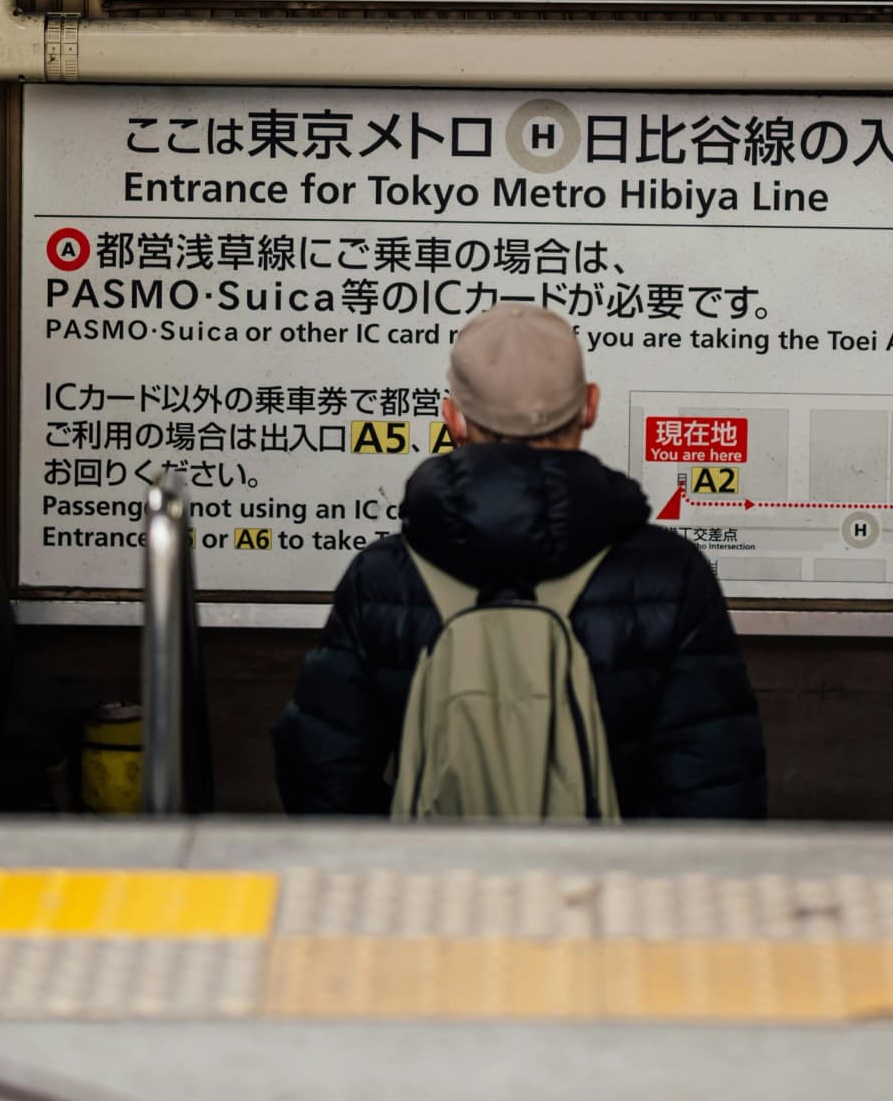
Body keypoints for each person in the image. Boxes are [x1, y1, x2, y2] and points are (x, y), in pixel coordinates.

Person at [273, 304, 767, 818]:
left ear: (454, 417)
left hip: (440, 889)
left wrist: (410, 872)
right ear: (590, 406)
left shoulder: (382, 577)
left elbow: (321, 771)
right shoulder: (672, 574)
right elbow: (717, 787)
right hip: (607, 890)